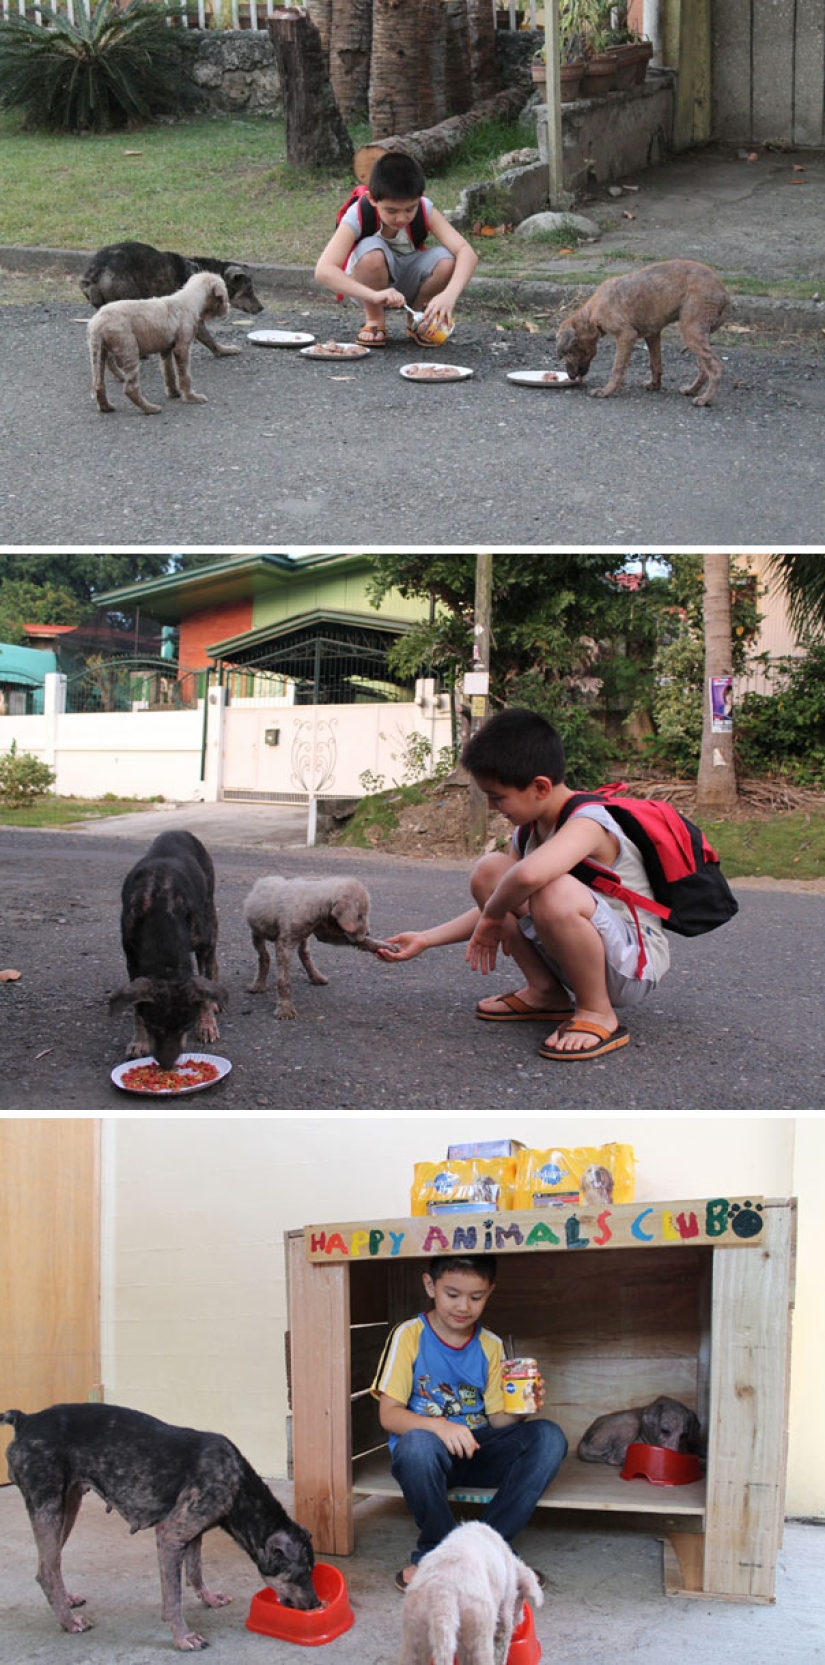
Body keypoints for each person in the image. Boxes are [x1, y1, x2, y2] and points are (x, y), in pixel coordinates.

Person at [378, 706, 671, 1060]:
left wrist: (492, 917)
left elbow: (529, 879)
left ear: (540, 787)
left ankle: (597, 1011)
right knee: (491, 872)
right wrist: (426, 939)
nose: (491, 807)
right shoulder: (529, 831)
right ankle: (546, 992)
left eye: (498, 797)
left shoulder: (589, 823)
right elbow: (501, 897)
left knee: (550, 888)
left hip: (632, 966)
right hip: (586, 953)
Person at [371, 1253, 567, 1590]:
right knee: (416, 1444)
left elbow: (496, 1420)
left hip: (478, 1449)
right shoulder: (409, 1335)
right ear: (430, 1286)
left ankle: (490, 1547)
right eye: (453, 1294)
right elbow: (389, 1415)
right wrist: (440, 1427)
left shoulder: (490, 1345)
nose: (464, 1306)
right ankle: (437, 1551)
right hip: (430, 1458)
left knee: (549, 1436)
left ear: (490, 1291)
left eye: (476, 1297)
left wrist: (521, 1408)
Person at [313, 150, 478, 348]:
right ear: (373, 199)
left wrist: (449, 294)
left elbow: (466, 251)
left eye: (410, 209)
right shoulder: (359, 213)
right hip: (367, 288)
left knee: (447, 260)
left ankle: (418, 317)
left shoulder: (425, 209)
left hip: (408, 281)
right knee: (371, 252)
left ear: (420, 197)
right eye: (391, 211)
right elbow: (324, 270)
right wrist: (373, 295)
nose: (401, 218)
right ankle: (375, 320)